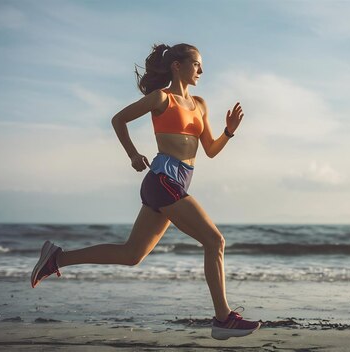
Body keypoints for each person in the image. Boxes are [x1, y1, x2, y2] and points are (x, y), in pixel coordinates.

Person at [30, 43, 261, 340]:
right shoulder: (160, 99)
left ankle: (57, 258)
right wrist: (133, 154)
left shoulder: (201, 104)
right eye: (196, 64)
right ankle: (223, 318)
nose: (201, 70)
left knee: (131, 255)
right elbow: (118, 120)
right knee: (214, 240)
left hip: (176, 183)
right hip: (162, 180)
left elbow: (211, 151)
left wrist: (228, 132)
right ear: (177, 65)